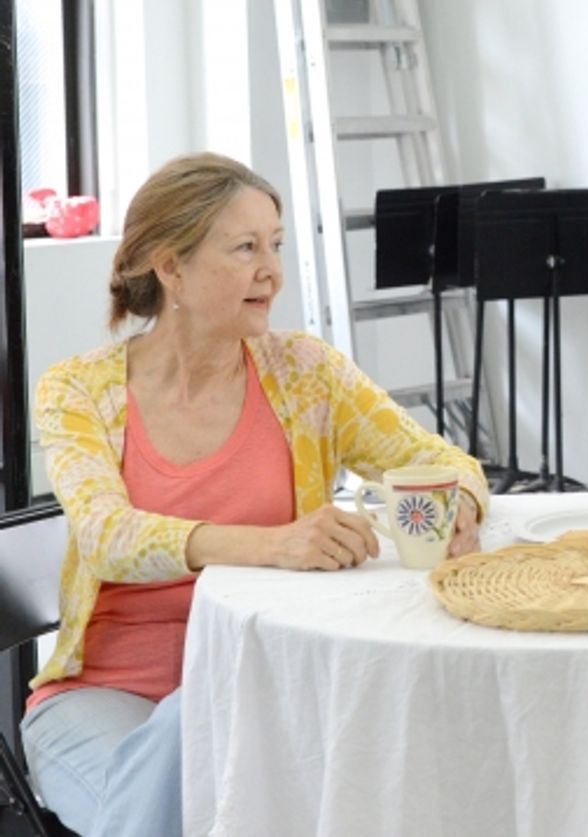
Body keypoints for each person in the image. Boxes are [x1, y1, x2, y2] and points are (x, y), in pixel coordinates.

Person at [20, 152, 490, 836]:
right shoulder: (77, 389)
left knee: (230, 735)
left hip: (264, 681)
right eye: (245, 247)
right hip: (103, 695)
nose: (271, 270)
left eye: (276, 244)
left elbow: (441, 462)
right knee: (194, 766)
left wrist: (462, 507)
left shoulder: (306, 374)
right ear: (170, 267)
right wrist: (276, 545)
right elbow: (105, 536)